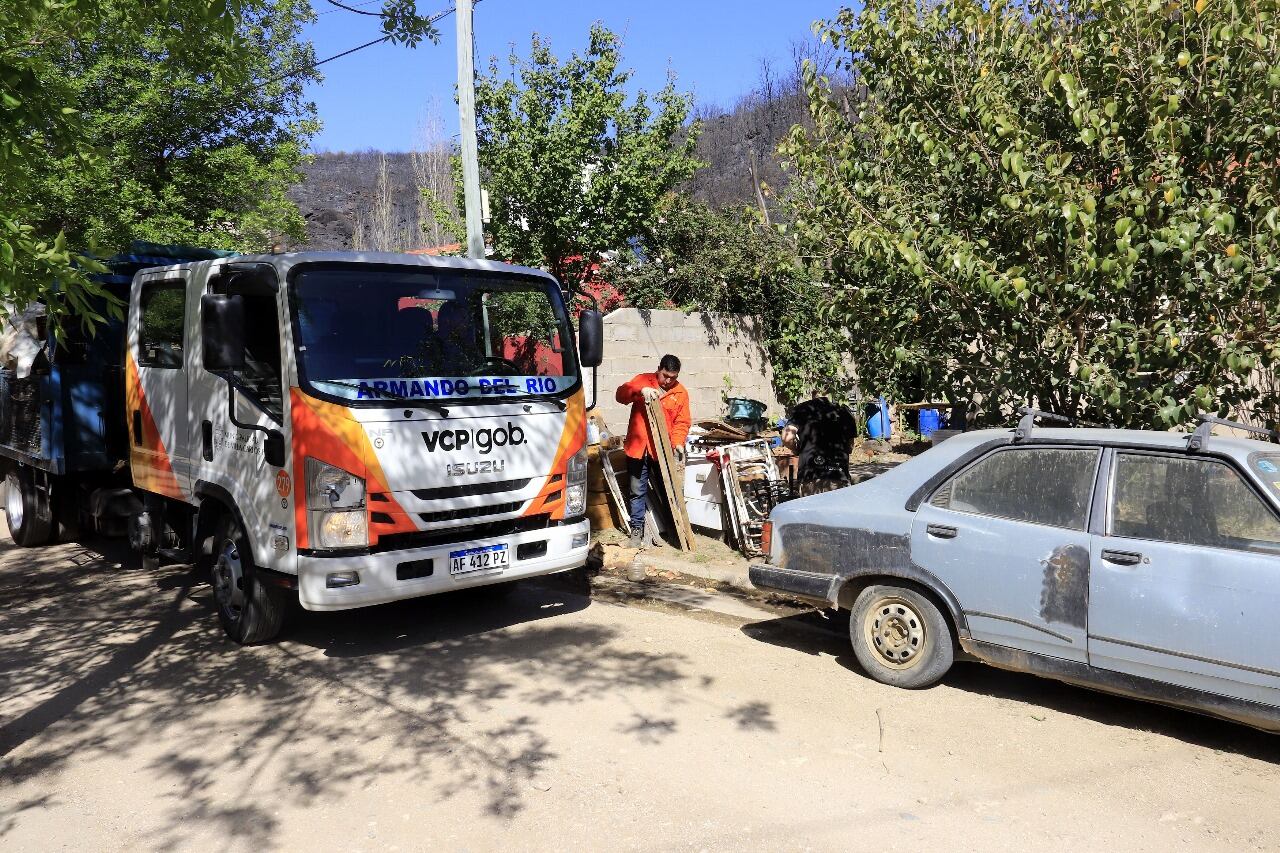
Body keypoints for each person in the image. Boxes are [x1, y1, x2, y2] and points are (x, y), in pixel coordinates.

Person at [615, 354, 692, 548]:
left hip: (662, 450)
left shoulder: (680, 393)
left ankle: (675, 534)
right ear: (658, 369)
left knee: (669, 492)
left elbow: (681, 423)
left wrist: (678, 443)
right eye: (665, 376)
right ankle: (636, 531)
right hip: (638, 448)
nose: (668, 381)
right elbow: (620, 395)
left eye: (673, 378)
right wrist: (641, 390)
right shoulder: (643, 380)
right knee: (637, 491)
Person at [782, 396, 858, 496]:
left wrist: (796, 449)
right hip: (838, 476)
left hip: (810, 477)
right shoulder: (844, 412)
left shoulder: (803, 410)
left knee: (811, 511)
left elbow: (786, 437)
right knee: (837, 511)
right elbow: (850, 446)